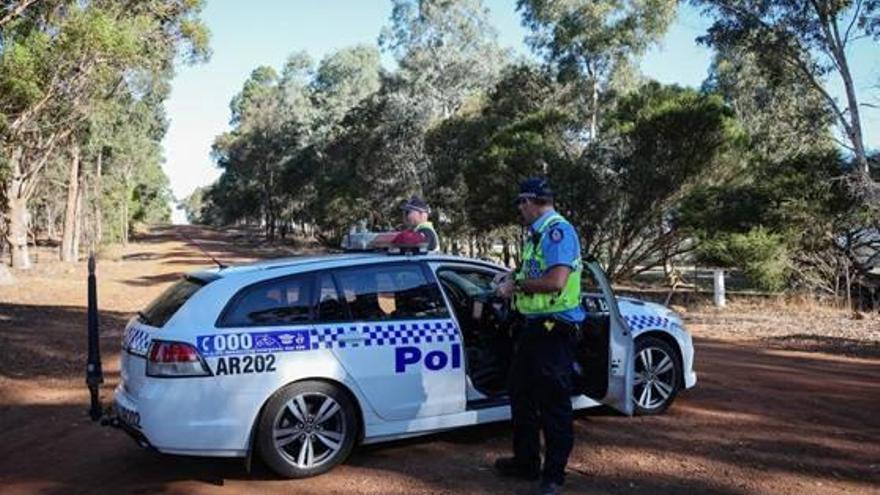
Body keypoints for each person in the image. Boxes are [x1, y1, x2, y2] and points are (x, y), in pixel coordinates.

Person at [493, 177, 585, 495]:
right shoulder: (537, 234)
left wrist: (515, 287)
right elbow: (535, 272)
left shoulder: (557, 231)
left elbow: (556, 281)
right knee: (520, 395)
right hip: (534, 328)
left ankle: (553, 475)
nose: (519, 210)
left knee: (553, 404)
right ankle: (526, 461)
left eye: (520, 204)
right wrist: (511, 276)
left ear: (530, 202)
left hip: (555, 330)